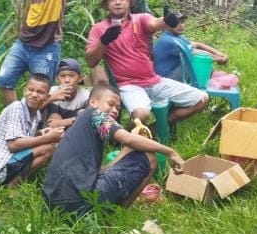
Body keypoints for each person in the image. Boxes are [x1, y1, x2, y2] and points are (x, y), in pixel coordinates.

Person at [42, 84, 185, 215]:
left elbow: (102, 169)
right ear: (93, 102)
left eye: (118, 108)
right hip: (78, 202)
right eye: (110, 104)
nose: (115, 110)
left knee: (129, 152)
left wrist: (127, 149)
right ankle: (118, 214)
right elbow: (127, 139)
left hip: (52, 202)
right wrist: (170, 152)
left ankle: (108, 211)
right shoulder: (95, 114)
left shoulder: (81, 123)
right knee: (150, 159)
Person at [85, 0, 208, 130]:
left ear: (128, 2)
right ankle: (122, 137)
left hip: (153, 80)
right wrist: (104, 41)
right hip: (127, 84)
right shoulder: (98, 29)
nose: (118, 2)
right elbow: (91, 61)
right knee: (141, 115)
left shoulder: (140, 19)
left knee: (201, 99)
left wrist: (166, 21)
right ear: (106, 4)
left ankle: (155, 129)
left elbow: (154, 23)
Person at [0, 73, 65, 187]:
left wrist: (40, 133)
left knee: (48, 143)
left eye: (40, 92)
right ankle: (12, 186)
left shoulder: (36, 114)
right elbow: (13, 145)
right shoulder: (17, 108)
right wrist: (47, 137)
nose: (34, 95)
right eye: (31, 90)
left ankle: (12, 182)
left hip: (5, 164)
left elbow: (24, 138)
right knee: (48, 148)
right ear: (24, 90)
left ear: (47, 97)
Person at [153, 10, 228, 82]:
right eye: (177, 23)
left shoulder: (177, 37)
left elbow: (198, 45)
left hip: (172, 74)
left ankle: (200, 85)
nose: (181, 25)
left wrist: (220, 54)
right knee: (195, 61)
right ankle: (198, 87)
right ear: (168, 24)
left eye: (182, 22)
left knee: (206, 64)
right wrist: (219, 59)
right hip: (164, 79)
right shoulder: (169, 40)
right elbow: (195, 53)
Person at [44, 58, 91, 124]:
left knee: (82, 112)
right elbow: (33, 109)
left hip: (76, 129)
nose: (67, 80)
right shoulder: (51, 92)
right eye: (62, 76)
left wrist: (60, 123)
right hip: (51, 129)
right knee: (55, 115)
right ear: (57, 79)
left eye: (72, 76)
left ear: (80, 79)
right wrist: (51, 98)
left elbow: (94, 118)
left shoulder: (86, 97)